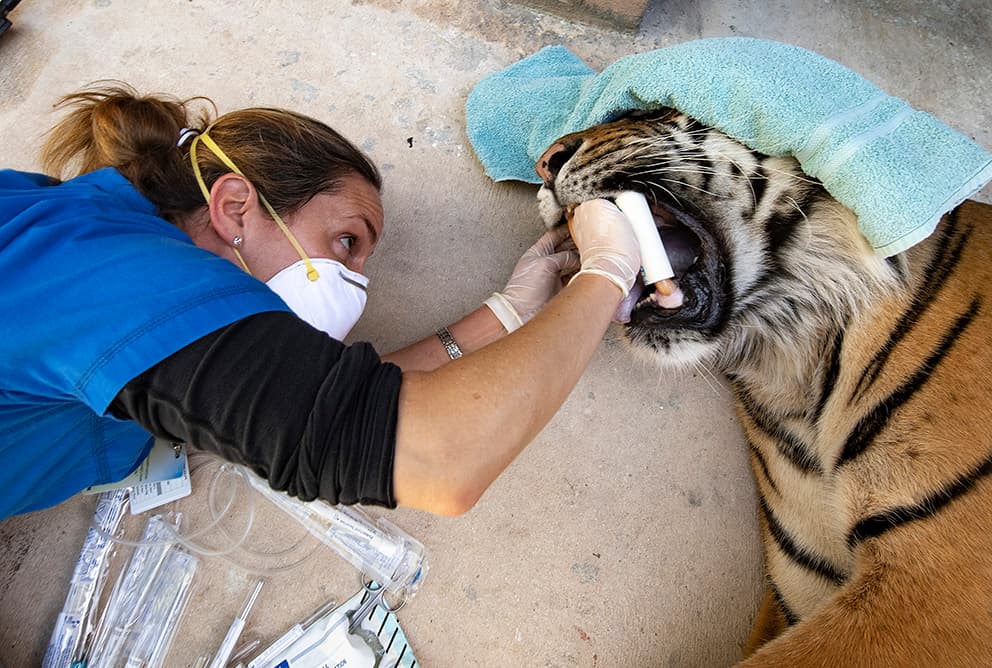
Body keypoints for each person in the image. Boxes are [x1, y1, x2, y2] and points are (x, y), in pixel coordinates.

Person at [0, 82, 640, 520]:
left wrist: (505, 314)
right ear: (234, 207)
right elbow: (439, 459)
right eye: (346, 242)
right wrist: (607, 272)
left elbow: (323, 402)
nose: (354, 285)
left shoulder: (108, 248)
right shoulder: (115, 281)